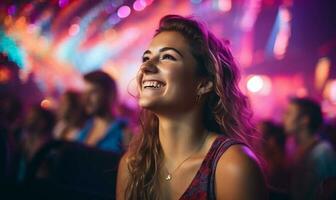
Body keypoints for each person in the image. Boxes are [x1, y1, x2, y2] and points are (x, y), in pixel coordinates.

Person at [117, 15, 267, 200]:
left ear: (204, 84)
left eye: (167, 57)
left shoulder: (232, 166)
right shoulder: (132, 165)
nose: (146, 66)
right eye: (146, 57)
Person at [283, 97, 336, 200]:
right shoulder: (292, 149)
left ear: (304, 120)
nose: (284, 118)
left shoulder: (323, 152)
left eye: (289, 113)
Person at [77, 70, 126, 154]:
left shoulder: (124, 132)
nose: (86, 99)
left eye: (93, 92)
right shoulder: (84, 129)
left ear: (109, 94)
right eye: (85, 93)